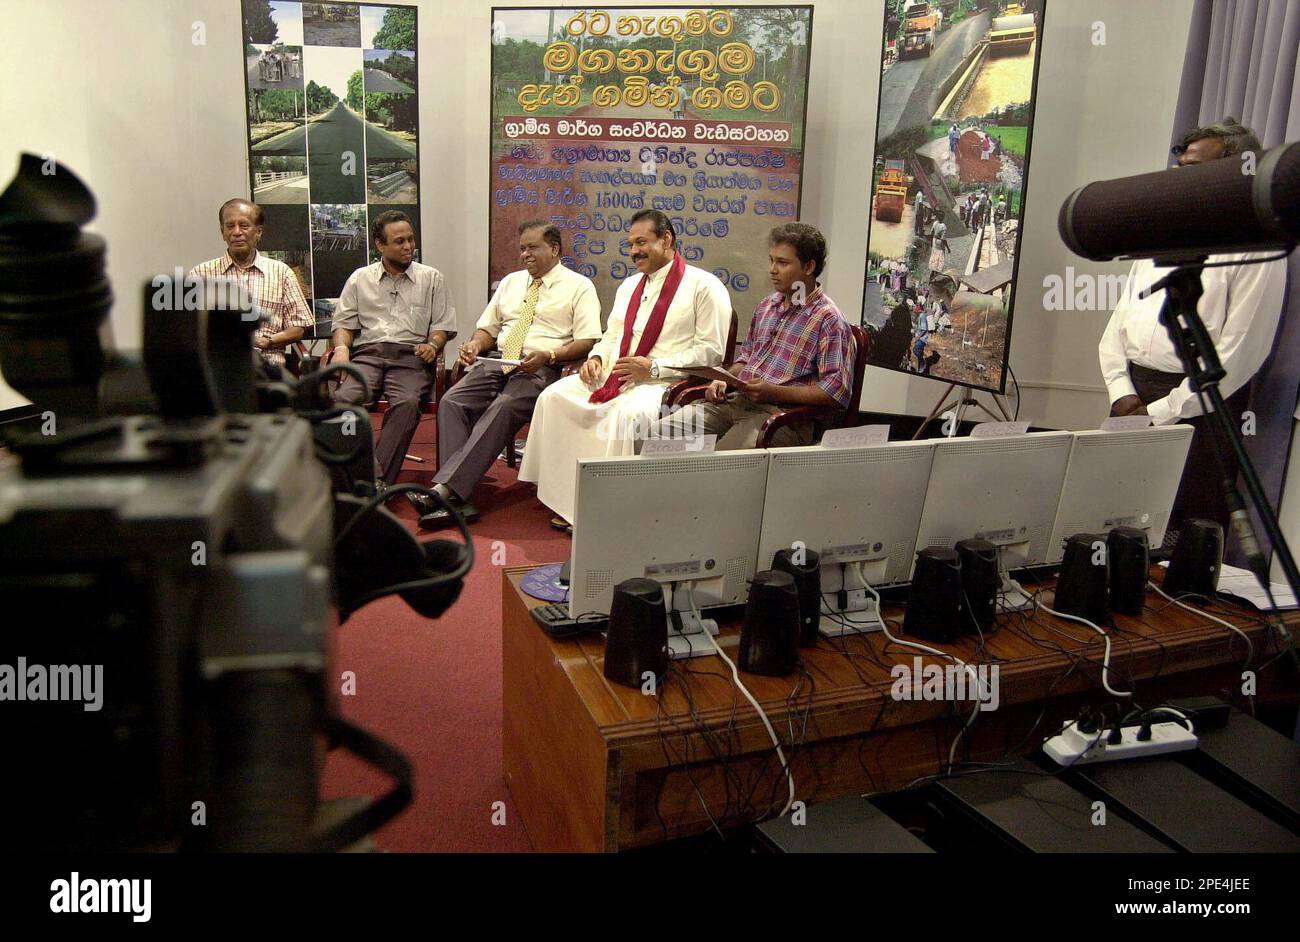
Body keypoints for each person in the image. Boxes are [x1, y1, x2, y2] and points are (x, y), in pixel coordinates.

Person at [1098, 117, 1286, 530]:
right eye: (1180, 167)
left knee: (1184, 534)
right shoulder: (1162, 227)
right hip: (1130, 398)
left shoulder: (1255, 245)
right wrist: (1121, 391)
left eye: (1194, 169)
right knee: (1110, 520)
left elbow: (1240, 352)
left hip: (1199, 410)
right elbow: (1120, 323)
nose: (1181, 179)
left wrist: (1161, 411)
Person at [518, 209, 729, 530]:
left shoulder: (705, 286)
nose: (634, 252)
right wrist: (597, 359)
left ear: (667, 239)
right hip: (614, 373)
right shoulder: (630, 285)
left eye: (642, 242)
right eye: (630, 244)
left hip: (663, 383)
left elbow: (712, 350)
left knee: (623, 417)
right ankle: (563, 496)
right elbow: (613, 335)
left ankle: (604, 507)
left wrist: (655, 368)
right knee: (553, 396)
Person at [411, 221, 601, 530]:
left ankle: (446, 493)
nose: (525, 254)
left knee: (504, 406)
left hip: (541, 366)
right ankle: (458, 495)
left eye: (532, 247)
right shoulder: (512, 282)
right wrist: (475, 344)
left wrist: (549, 355)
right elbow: (489, 329)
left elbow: (588, 339)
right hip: (499, 360)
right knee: (452, 400)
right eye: (522, 248)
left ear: (554, 249)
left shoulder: (579, 286)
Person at [654, 223, 855, 449]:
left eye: (783, 263)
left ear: (808, 267)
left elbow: (835, 391)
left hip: (782, 417)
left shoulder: (829, 319)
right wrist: (723, 378)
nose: (772, 269)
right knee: (655, 437)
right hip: (736, 402)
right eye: (772, 260)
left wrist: (774, 391)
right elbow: (747, 358)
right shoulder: (767, 306)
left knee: (720, 461)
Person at [331, 210, 457, 496]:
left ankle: (373, 485)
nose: (408, 246)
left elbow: (442, 327)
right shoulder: (360, 278)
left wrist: (433, 345)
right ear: (380, 245)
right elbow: (343, 324)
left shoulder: (431, 278)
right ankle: (373, 478)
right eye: (399, 241)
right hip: (368, 355)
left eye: (411, 240)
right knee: (342, 402)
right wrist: (340, 349)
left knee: (408, 403)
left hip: (411, 357)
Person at [189, 198, 313, 371]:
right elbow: (189, 329)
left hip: (267, 368)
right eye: (230, 226)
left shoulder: (281, 273)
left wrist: (268, 342)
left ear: (259, 232)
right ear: (222, 232)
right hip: (217, 369)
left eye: (244, 226)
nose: (236, 232)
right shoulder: (201, 274)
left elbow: (298, 327)